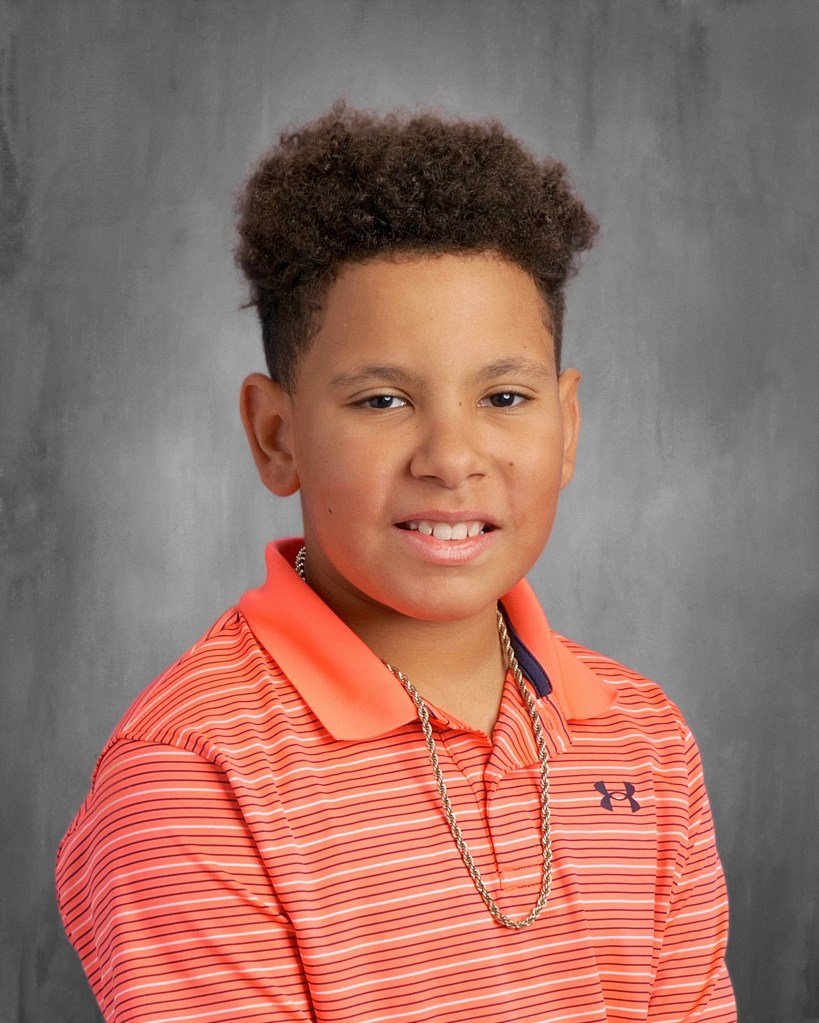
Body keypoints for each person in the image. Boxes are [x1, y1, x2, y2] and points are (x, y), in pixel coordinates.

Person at [56, 103, 736, 1022]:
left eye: (503, 395)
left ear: (566, 426)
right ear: (275, 434)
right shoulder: (192, 777)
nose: (451, 458)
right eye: (382, 400)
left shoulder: (644, 741)